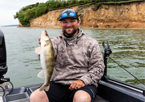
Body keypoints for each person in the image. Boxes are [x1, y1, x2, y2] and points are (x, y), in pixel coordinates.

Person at [30, 9, 105, 102]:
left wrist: (83, 81)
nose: (68, 25)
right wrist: (43, 49)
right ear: (61, 24)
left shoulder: (91, 43)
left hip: (83, 85)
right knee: (35, 97)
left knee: (82, 99)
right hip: (59, 83)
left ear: (78, 21)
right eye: (65, 22)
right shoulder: (54, 42)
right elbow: (46, 61)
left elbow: (99, 68)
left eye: (72, 21)